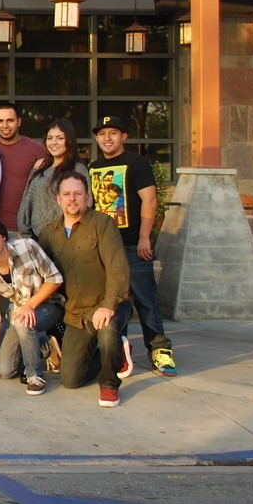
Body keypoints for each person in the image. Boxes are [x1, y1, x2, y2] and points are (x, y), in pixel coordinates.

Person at [89, 115, 175, 377]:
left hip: (132, 245)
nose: (107, 138)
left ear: (124, 136)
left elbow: (149, 201)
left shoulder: (136, 163)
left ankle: (159, 350)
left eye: (113, 133)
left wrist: (144, 237)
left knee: (145, 299)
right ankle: (119, 349)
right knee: (113, 302)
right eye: (102, 134)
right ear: (96, 138)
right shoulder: (93, 167)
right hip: (105, 248)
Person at [37, 173, 133, 408]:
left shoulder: (102, 224)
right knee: (70, 379)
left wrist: (108, 305)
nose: (72, 199)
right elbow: (40, 273)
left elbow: (117, 268)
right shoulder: (49, 233)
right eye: (67, 194)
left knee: (108, 328)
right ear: (58, 199)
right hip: (75, 314)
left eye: (78, 194)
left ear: (88, 197)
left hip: (107, 303)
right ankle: (115, 354)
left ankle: (109, 384)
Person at [0, 216, 64, 396]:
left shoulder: (27, 247)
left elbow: (55, 279)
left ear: (4, 236)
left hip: (48, 305)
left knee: (23, 321)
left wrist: (30, 305)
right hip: (17, 312)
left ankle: (34, 376)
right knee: (6, 370)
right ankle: (46, 345)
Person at [18, 119, 90, 241]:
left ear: (69, 141)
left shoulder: (76, 168)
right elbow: (26, 201)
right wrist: (23, 231)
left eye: (60, 138)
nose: (54, 142)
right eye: (50, 138)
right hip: (36, 238)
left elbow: (86, 203)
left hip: (66, 239)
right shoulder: (40, 167)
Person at [0, 101, 46, 236]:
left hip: (27, 228)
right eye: (0, 121)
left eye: (10, 120)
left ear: (19, 121)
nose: (5, 125)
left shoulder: (37, 150)